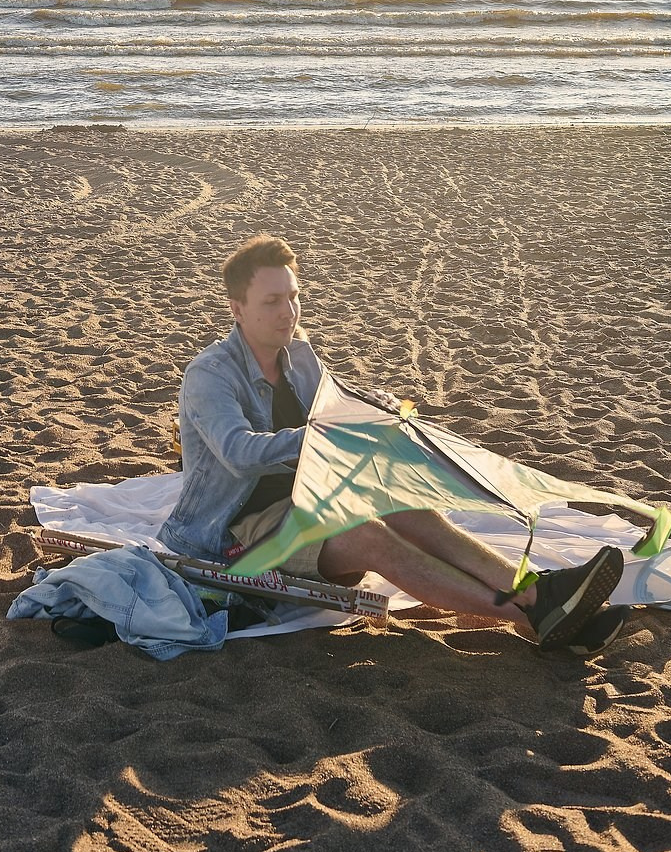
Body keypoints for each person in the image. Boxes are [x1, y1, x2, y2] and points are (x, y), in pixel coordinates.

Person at [158, 235, 629, 654]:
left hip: (306, 500)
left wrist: (372, 406)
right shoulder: (210, 375)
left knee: (410, 507)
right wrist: (322, 435)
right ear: (237, 309)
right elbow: (239, 452)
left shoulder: (298, 354)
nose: (289, 312)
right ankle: (532, 617)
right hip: (235, 535)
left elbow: (335, 403)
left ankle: (536, 593)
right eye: (272, 301)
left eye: (294, 297)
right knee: (370, 536)